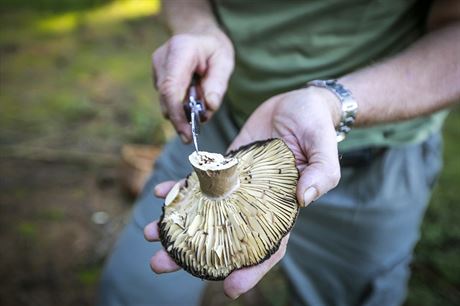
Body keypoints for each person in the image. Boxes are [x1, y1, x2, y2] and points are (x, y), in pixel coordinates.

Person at [98, 0, 460, 305]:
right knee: (133, 290)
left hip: (374, 161)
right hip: (218, 119)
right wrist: (198, 26)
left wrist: (334, 102)